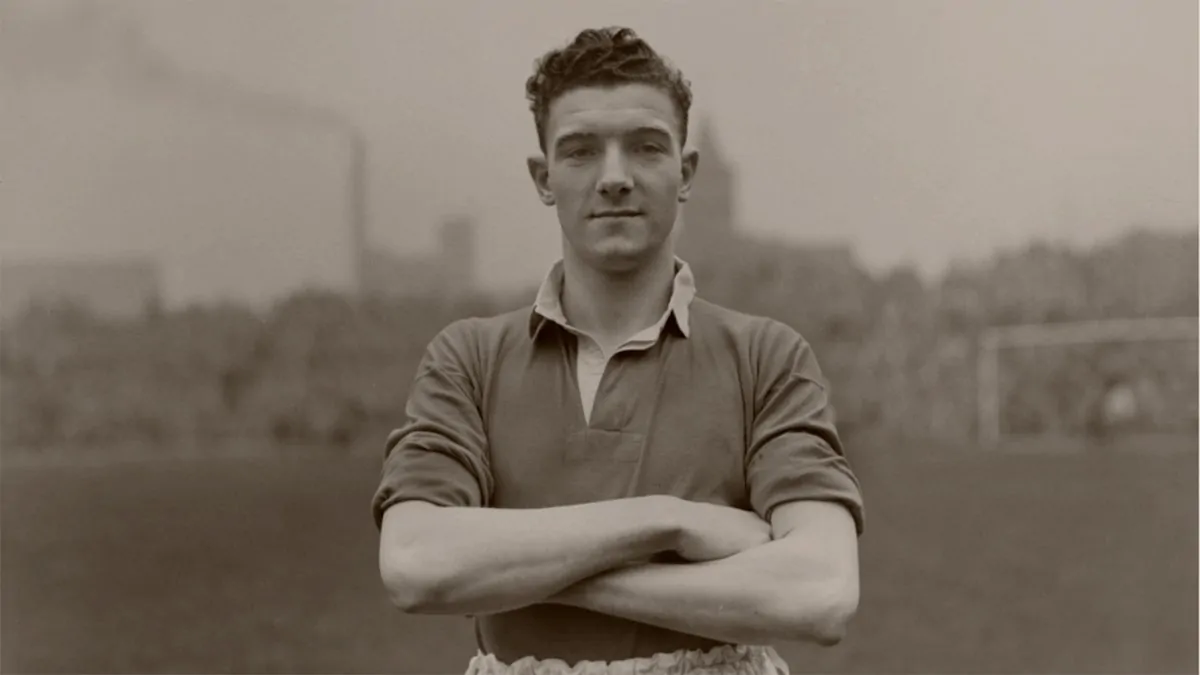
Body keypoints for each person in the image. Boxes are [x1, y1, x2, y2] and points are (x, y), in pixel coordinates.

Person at [372, 26, 865, 675]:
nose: (614, 178)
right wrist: (669, 522)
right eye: (580, 151)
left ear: (686, 173)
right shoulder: (468, 359)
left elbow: (820, 593)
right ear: (544, 178)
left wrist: (521, 573)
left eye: (645, 147)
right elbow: (414, 564)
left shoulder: (767, 357)